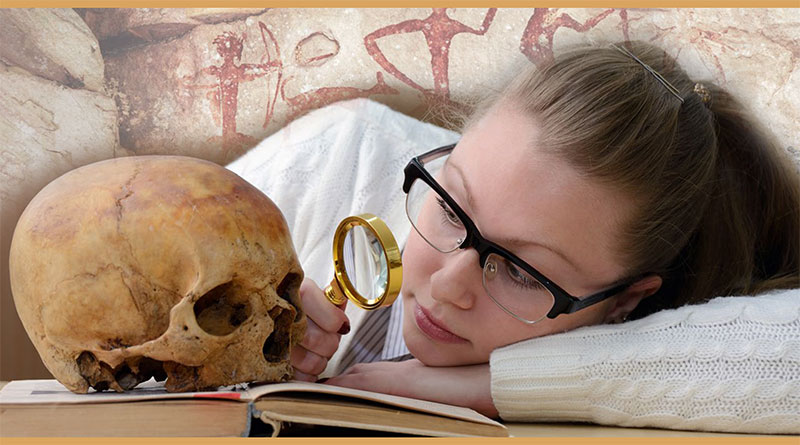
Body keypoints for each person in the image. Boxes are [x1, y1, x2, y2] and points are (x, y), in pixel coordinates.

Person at [227, 41, 800, 433]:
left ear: (624, 302)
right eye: (451, 207)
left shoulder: (677, 335)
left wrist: (496, 386)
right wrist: (226, 348)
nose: (450, 286)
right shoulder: (338, 155)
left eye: (523, 272)